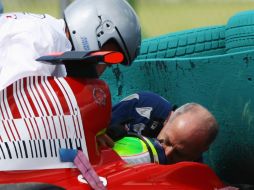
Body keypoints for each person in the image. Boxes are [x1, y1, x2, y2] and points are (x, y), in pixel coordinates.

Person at [0, 0, 141, 91]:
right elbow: (16, 110)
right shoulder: (42, 38)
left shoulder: (53, 37)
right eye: (104, 60)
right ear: (99, 29)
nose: (100, 73)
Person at [106, 91, 219, 164]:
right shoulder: (140, 105)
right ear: (167, 121)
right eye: (166, 142)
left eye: (179, 154)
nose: (167, 153)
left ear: (199, 152)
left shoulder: (194, 164)